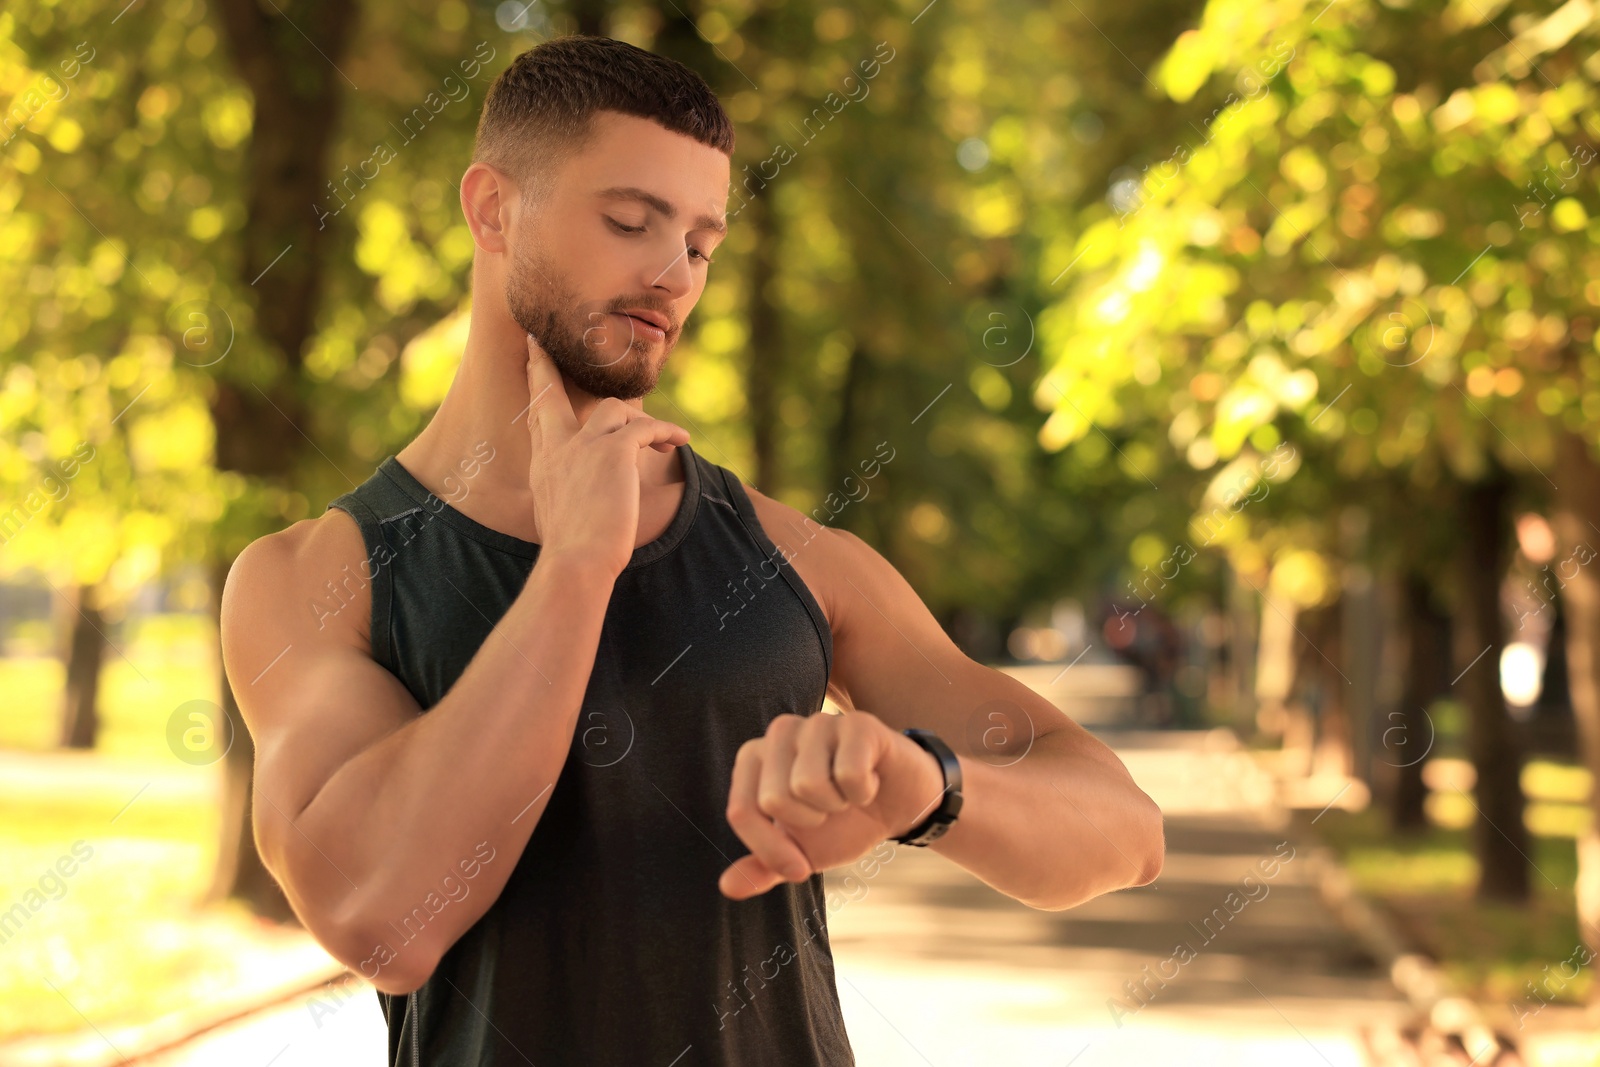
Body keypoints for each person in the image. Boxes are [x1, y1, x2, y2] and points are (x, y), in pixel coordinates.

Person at [219, 34, 1163, 1067]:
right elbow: (381, 918)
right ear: (492, 208)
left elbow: (1124, 828)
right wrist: (576, 564)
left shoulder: (793, 556)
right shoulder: (312, 578)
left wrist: (929, 785)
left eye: (702, 243)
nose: (672, 274)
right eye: (629, 221)